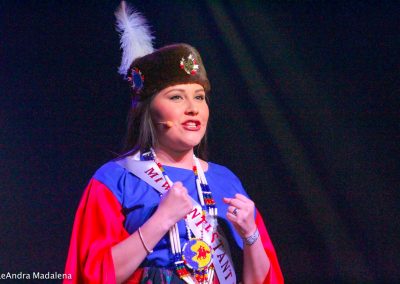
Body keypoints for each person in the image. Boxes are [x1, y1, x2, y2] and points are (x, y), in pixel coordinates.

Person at [64, 2, 283, 283]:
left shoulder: (225, 180)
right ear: (148, 111)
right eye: (177, 97)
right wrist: (160, 220)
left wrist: (251, 235)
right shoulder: (115, 179)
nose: (193, 108)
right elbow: (91, 275)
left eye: (200, 97)